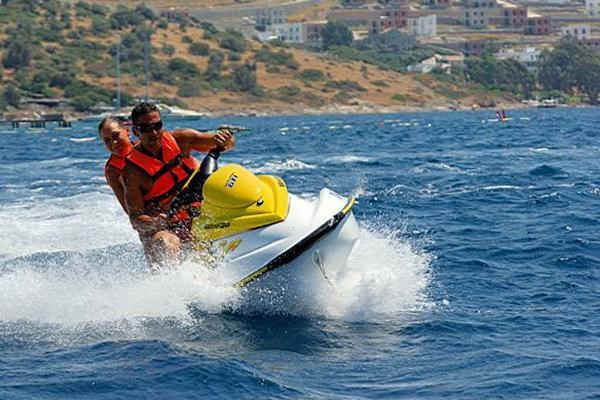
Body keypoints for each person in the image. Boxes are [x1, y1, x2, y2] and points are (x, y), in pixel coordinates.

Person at [121, 102, 236, 269]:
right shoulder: (131, 172)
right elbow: (135, 219)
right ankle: (175, 287)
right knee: (163, 243)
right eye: (146, 128)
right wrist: (155, 222)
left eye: (157, 126)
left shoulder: (182, 140)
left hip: (201, 214)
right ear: (135, 131)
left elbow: (228, 142)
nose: (153, 132)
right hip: (168, 228)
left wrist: (226, 138)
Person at [99, 116, 134, 212]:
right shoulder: (112, 171)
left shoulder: (146, 148)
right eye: (107, 140)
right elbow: (129, 209)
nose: (114, 143)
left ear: (127, 131)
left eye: (116, 135)